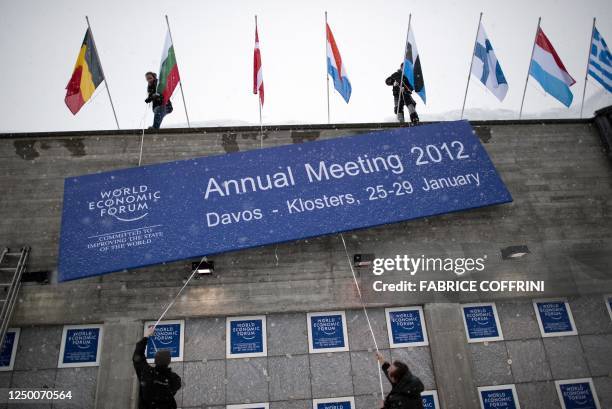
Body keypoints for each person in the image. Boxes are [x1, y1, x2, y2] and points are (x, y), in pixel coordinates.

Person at [133, 326, 182, 409]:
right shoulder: (174, 378)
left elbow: (137, 356)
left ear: (155, 361)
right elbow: (177, 386)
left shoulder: (146, 373)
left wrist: (146, 336)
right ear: (169, 362)